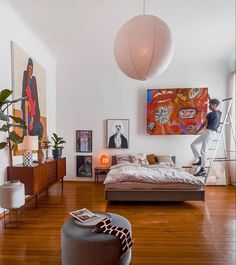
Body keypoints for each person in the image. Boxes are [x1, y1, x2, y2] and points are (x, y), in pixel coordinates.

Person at [191, 98, 222, 177]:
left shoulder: (210, 114)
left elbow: (204, 123)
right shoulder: (219, 112)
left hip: (210, 133)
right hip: (207, 132)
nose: (209, 105)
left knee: (204, 151)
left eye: (210, 104)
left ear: (214, 105)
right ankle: (200, 159)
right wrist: (210, 97)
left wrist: (197, 131)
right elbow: (215, 104)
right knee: (193, 145)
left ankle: (203, 170)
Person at [21, 58, 43, 139]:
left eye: (31, 69)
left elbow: (35, 97)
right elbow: (24, 91)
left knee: (39, 127)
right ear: (27, 68)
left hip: (33, 105)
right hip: (27, 105)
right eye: (28, 68)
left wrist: (33, 113)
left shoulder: (33, 79)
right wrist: (27, 102)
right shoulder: (25, 76)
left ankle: (36, 142)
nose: (30, 70)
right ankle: (27, 139)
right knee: (28, 127)